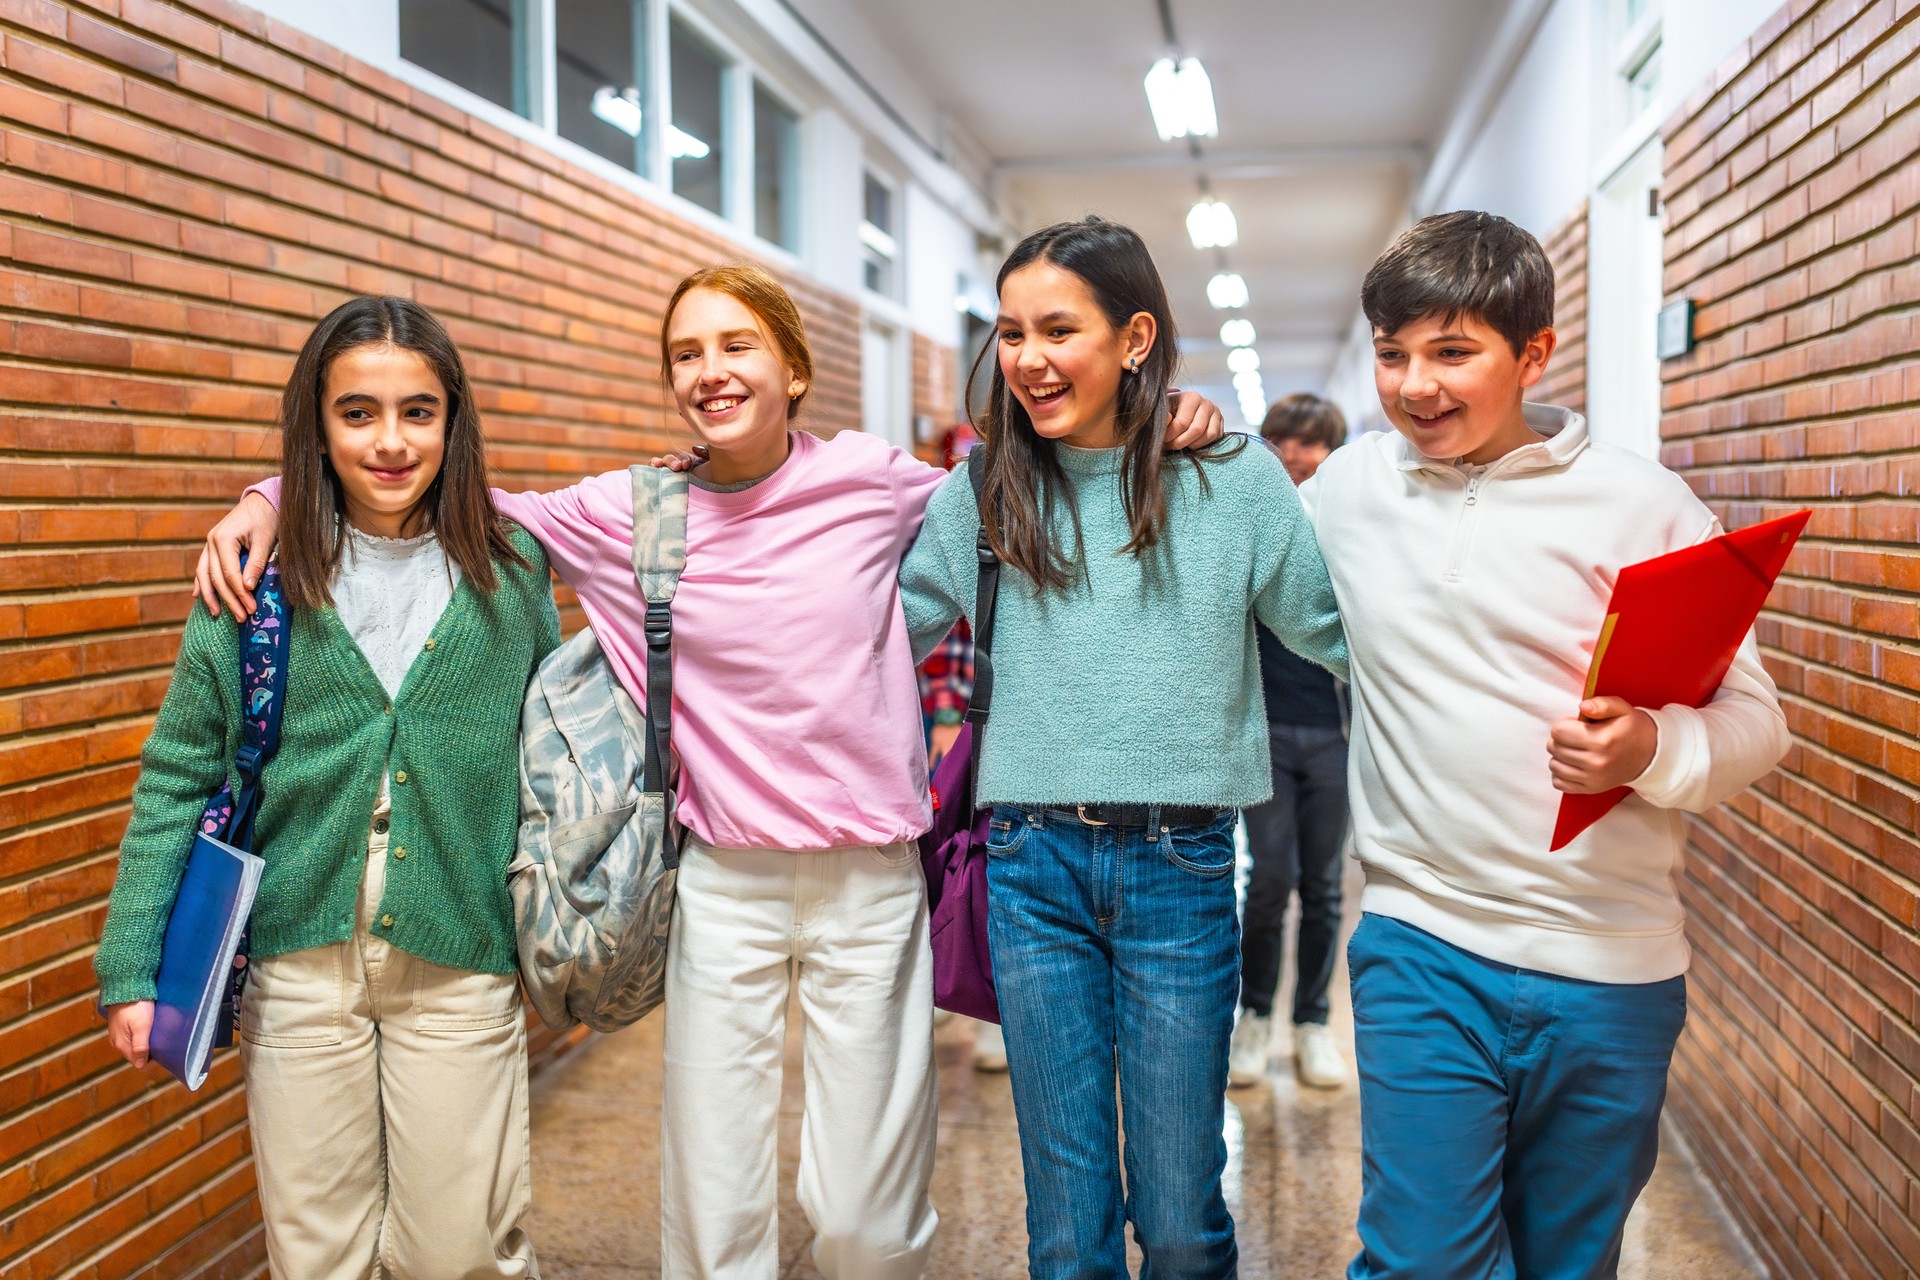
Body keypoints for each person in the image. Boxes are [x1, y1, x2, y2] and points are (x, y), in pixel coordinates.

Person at [193, 264, 1226, 1280]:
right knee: (713, 1208)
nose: (710, 371)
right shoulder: (633, 512)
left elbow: (1036, 473)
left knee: (870, 1218)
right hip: (722, 882)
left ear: (793, 367)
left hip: (871, 881)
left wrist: (1157, 412)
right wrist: (271, 495)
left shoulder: (876, 481)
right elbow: (446, 493)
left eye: (737, 346)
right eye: (687, 353)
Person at [1300, 211, 1790, 1279]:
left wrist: (1650, 746)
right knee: (1419, 1259)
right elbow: (1228, 549)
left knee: (1569, 1261)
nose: (1415, 385)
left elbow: (1761, 722)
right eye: (1392, 354)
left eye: (1452, 352)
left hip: (1611, 965)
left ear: (1533, 353)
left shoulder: (1643, 504)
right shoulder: (1345, 492)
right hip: (1422, 938)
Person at [899, 216, 1346, 1280]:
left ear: (1135, 336)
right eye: (1010, 333)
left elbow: (1337, 633)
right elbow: (874, 634)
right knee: (1065, 1227)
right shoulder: (984, 491)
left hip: (1181, 869)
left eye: (1060, 328)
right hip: (1030, 868)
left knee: (1185, 1221)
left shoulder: (1232, 481)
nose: (1029, 359)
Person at [97, 297, 558, 1277]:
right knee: (318, 1252)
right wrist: (132, 966)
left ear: (453, 418)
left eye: (417, 411)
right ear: (316, 423)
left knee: (460, 1249)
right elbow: (179, 773)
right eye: (357, 413)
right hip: (298, 965)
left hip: (461, 957)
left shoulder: (512, 569)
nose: (390, 440)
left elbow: (550, 761)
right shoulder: (256, 577)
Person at [1229, 393, 1353, 1091]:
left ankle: (1311, 1023)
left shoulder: (1346, 528)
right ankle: (1254, 1018)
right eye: (1282, 441)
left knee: (1325, 885)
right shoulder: (1251, 519)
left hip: (1332, 735)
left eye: (1309, 443)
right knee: (1270, 878)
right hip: (1266, 732)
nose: (1295, 455)